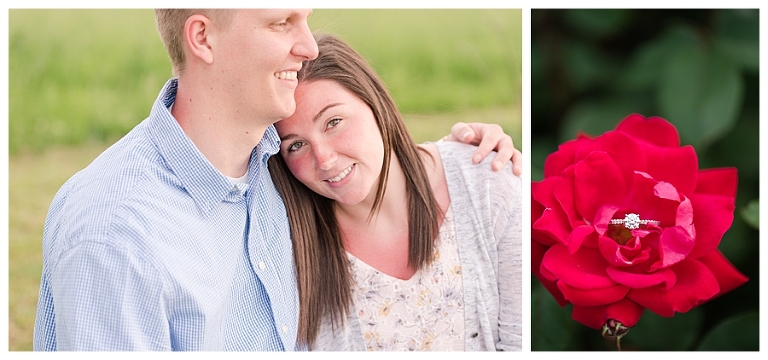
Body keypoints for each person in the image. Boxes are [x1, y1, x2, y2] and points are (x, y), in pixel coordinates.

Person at [33, 9, 521, 351]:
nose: (308, 46)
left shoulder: (271, 171)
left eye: (304, 20)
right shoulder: (118, 232)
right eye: (281, 23)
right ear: (202, 38)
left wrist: (461, 157)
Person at [268, 33, 521, 351]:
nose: (324, 160)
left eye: (333, 122)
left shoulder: (487, 181)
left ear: (374, 102)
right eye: (296, 145)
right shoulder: (290, 247)